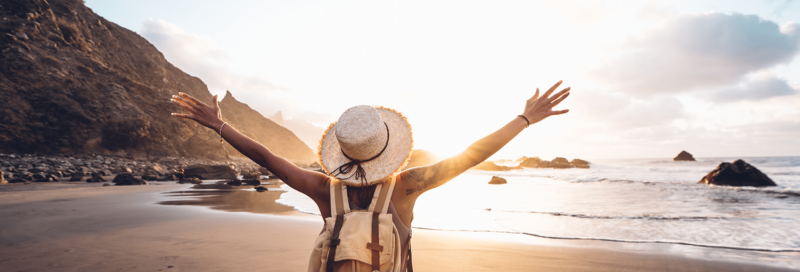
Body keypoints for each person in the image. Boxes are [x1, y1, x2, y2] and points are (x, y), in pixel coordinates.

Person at [170, 80, 570, 271]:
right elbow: (471, 155)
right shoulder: (408, 185)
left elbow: (267, 157)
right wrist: (524, 119)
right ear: (389, 149)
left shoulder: (324, 188)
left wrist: (220, 126)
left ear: (342, 152)